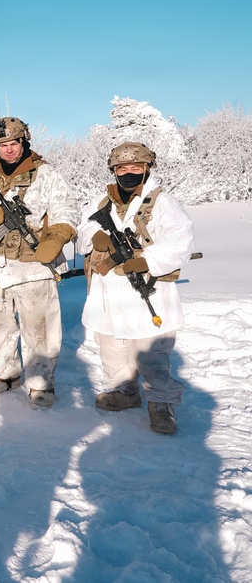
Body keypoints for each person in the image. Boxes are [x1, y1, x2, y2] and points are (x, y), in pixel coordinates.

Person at [76, 142, 194, 434]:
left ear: (147, 169)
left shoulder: (164, 204)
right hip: (107, 290)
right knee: (112, 347)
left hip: (147, 290)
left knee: (151, 351)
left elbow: (181, 242)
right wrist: (97, 236)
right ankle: (124, 392)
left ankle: (161, 404)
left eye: (135, 168)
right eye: (122, 169)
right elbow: (82, 232)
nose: (128, 173)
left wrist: (145, 262)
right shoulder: (100, 203)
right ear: (114, 171)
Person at [0, 117, 78, 409]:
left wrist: (57, 236)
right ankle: (5, 374)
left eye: (14, 143)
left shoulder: (46, 175)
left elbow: (67, 209)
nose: (9, 149)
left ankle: (41, 383)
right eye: (2, 144)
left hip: (33, 266)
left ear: (24, 142)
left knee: (39, 329)